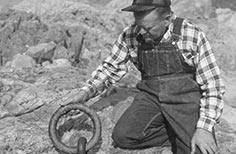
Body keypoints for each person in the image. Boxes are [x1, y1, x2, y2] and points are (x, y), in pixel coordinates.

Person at [66, 0, 225, 153]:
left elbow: (213, 85)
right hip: (151, 96)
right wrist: (84, 93)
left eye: (148, 28)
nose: (141, 32)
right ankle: (174, 133)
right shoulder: (131, 34)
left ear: (167, 19)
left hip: (185, 99)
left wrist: (204, 128)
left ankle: (182, 133)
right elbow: (110, 67)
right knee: (123, 137)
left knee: (198, 149)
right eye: (139, 25)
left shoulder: (191, 34)